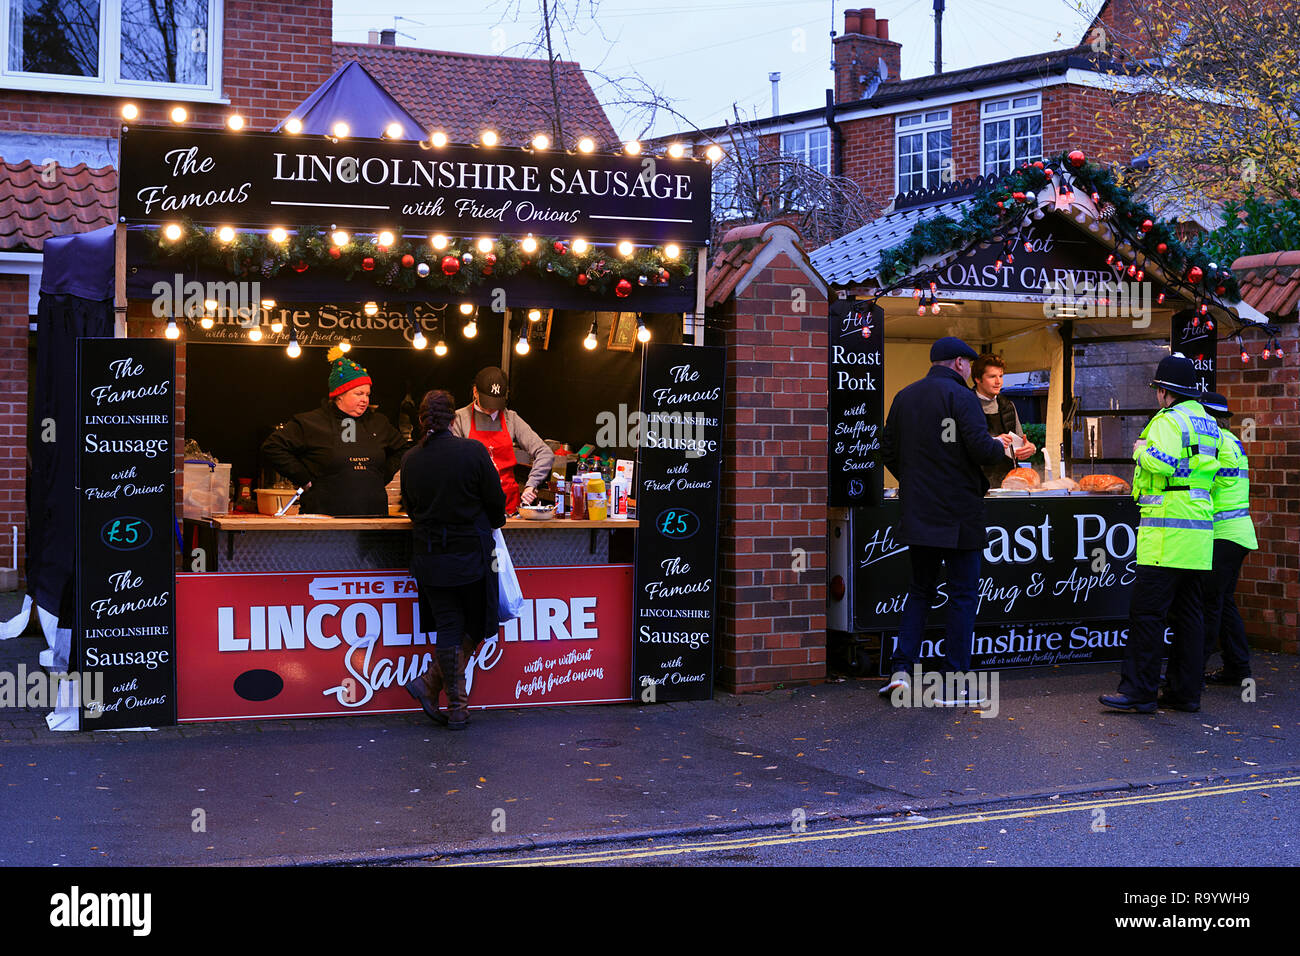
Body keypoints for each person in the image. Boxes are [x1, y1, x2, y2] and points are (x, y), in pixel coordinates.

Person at [880, 336, 1014, 703]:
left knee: (920, 591)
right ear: (958, 363)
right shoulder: (962, 397)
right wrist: (1003, 445)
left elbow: (888, 450)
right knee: (962, 595)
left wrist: (914, 480)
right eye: (968, 364)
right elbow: (980, 449)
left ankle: (901, 671)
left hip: (919, 511)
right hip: (958, 514)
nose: (970, 369)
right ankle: (954, 682)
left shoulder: (905, 396)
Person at [1100, 354, 1222, 714]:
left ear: (1165, 391)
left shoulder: (1168, 421)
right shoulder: (1208, 422)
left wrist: (1141, 451)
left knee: (1148, 615)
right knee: (1189, 617)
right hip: (1197, 532)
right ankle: (1185, 694)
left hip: (1166, 532)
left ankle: (1138, 691)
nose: (1156, 396)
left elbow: (1165, 464)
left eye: (1158, 389)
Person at [400, 390, 507, 730]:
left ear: (422, 420)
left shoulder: (410, 459)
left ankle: (438, 691)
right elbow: (497, 508)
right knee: (480, 623)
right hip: (473, 555)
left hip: (430, 556)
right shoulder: (472, 452)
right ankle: (453, 703)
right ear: (455, 419)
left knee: (449, 624)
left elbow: (412, 509)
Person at [261, 347, 409, 517]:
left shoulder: (379, 422)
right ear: (339, 395)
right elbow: (272, 447)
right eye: (358, 393)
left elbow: (402, 449)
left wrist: (380, 476)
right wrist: (303, 478)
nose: (365, 400)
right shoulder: (310, 422)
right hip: (324, 519)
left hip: (373, 517)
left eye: (367, 394)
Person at [1199, 391, 1257, 686]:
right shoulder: (1233, 441)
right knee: (1224, 601)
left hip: (1222, 535)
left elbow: (1202, 482)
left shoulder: (1214, 445)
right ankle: (1238, 667)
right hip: (1239, 533)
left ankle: (1192, 671)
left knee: (1210, 603)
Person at [451, 366, 555, 513]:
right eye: (488, 402)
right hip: (472, 504)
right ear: (475, 392)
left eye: (496, 403)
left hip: (508, 504)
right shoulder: (460, 418)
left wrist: (531, 484)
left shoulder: (510, 418)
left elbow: (545, 452)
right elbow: (451, 462)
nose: (491, 409)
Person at [970, 352, 1036, 484]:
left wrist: (1029, 448)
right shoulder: (965, 404)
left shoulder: (1008, 406)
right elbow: (955, 446)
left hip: (1007, 482)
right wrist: (993, 441)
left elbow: (1020, 441)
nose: (998, 382)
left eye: (1000, 376)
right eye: (992, 376)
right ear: (977, 378)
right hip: (974, 481)